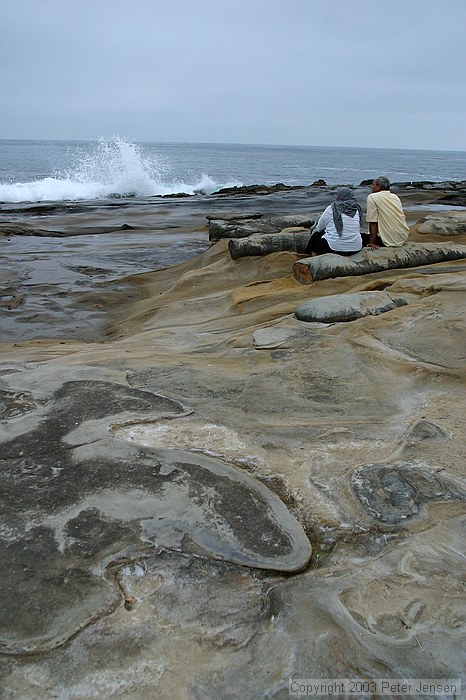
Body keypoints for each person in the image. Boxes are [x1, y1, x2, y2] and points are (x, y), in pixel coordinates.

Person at [306, 187, 363, 257]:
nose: (336, 196)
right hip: (356, 248)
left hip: (334, 249)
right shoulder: (357, 209)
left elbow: (320, 227)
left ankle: (315, 259)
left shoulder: (332, 208)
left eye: (337, 195)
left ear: (340, 196)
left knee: (315, 237)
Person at [365, 176, 410, 248]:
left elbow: (373, 222)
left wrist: (372, 243)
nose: (371, 187)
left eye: (373, 184)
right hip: (402, 237)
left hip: (387, 240)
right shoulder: (395, 197)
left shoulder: (372, 197)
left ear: (378, 186)